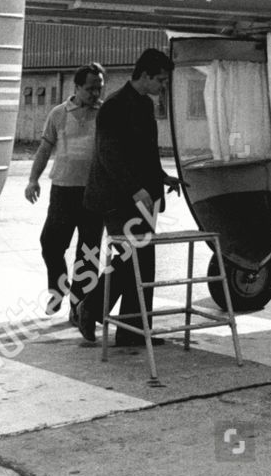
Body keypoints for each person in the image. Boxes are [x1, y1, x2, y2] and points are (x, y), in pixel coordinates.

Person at [75, 48, 180, 345]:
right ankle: (90, 306)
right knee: (127, 259)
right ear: (144, 75)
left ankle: (132, 331)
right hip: (116, 197)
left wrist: (162, 177)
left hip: (143, 197)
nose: (163, 86)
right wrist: (135, 189)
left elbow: (147, 152)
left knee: (143, 263)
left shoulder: (145, 105)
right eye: (160, 79)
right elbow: (110, 155)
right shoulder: (114, 106)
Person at [24, 63, 106, 318]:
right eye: (91, 88)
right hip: (63, 190)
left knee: (88, 252)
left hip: (94, 193)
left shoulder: (105, 114)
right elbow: (44, 149)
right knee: (50, 242)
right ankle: (58, 289)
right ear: (77, 87)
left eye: (99, 88)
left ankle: (79, 308)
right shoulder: (58, 113)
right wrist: (33, 179)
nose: (95, 94)